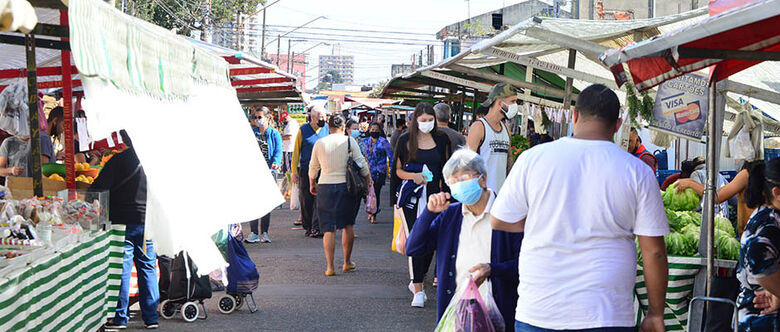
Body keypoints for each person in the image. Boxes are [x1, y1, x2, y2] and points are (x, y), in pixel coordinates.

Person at [490, 84, 669, 332]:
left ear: (574, 115)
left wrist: (540, 220)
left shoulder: (533, 158)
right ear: (617, 125)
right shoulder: (637, 171)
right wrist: (655, 314)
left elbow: (498, 219)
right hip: (608, 314)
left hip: (540, 310)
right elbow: (655, 253)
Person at [406, 148, 523, 330]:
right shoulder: (449, 215)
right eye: (453, 182)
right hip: (458, 314)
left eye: (464, 178)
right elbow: (413, 248)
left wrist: (493, 269)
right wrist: (429, 213)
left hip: (498, 314)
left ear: (482, 178)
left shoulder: (507, 214)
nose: (458, 185)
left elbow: (525, 264)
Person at [93, 130, 159, 330]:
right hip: (147, 222)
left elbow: (98, 188)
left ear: (125, 139)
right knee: (147, 268)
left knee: (121, 269)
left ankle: (120, 318)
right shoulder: (155, 159)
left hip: (121, 223)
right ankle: (151, 318)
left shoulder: (118, 160)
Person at [392, 102, 452, 308]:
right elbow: (397, 170)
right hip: (412, 198)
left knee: (431, 241)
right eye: (423, 120)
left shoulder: (442, 139)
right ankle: (417, 287)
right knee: (415, 239)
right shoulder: (405, 140)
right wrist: (414, 176)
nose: (426, 124)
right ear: (415, 120)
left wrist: (449, 194)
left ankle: (421, 275)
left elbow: (447, 167)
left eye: (430, 120)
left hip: (436, 196)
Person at [308, 114, 372, 276]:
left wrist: (312, 184)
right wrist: (368, 180)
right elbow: (361, 164)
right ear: (343, 127)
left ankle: (330, 267)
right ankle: (347, 262)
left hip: (325, 187)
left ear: (328, 127)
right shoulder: (349, 141)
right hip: (347, 188)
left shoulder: (320, 143)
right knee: (347, 225)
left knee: (329, 228)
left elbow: (313, 168)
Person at [736, 158, 780, 331]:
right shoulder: (769, 223)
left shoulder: (768, 214)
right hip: (762, 318)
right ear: (776, 192)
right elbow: (758, 261)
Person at [676, 160, 763, 236]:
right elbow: (733, 199)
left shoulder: (745, 174)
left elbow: (716, 197)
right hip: (756, 229)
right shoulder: (759, 172)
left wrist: (691, 183)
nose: (735, 159)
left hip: (753, 232)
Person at [467, 83, 515, 193]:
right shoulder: (479, 127)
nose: (515, 105)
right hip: (481, 195)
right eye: (512, 101)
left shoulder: (506, 129)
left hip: (500, 195)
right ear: (499, 103)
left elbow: (509, 160)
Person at [292, 104, 329, 238]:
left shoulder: (326, 129)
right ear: (312, 117)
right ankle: (308, 226)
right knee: (306, 199)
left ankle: (316, 227)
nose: (322, 119)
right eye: (320, 117)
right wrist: (293, 171)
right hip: (306, 170)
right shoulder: (303, 130)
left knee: (320, 199)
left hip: (323, 170)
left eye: (324, 116)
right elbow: (296, 152)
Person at [246, 107, 282, 243]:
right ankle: (254, 232)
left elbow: (278, 151)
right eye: (255, 117)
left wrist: (276, 163)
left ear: (267, 118)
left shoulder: (274, 134)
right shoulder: (251, 133)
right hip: (253, 172)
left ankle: (264, 232)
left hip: (269, 172)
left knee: (266, 203)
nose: (257, 120)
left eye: (260, 117)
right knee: (253, 203)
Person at [361, 122, 393, 224]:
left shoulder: (384, 142)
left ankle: (373, 214)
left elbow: (391, 156)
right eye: (372, 130)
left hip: (380, 171)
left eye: (376, 130)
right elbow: (362, 155)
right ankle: (371, 209)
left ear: (379, 131)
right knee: (366, 193)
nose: (374, 131)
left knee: (376, 192)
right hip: (367, 171)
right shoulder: (365, 141)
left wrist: (392, 170)